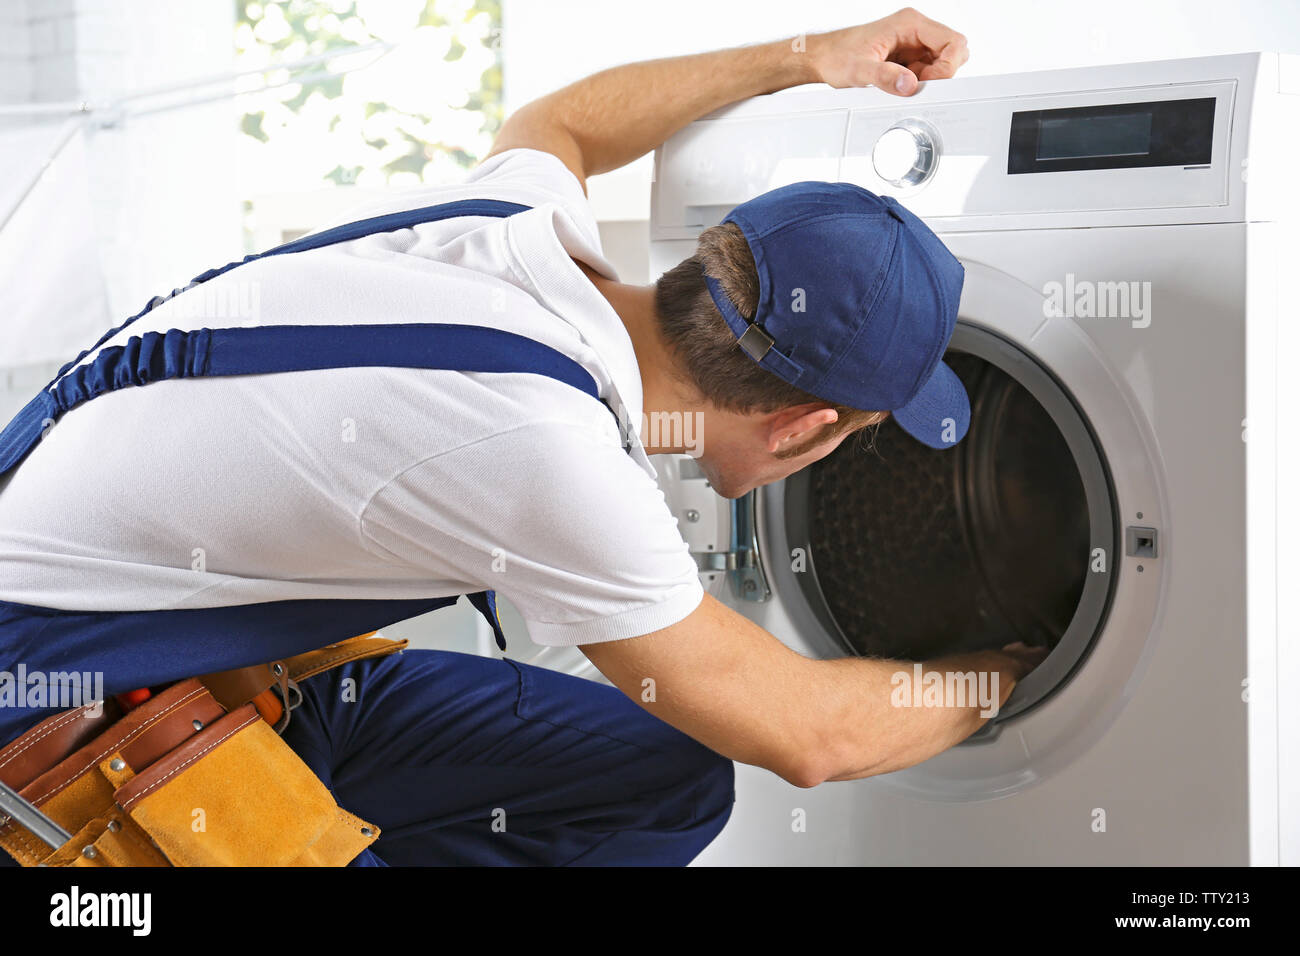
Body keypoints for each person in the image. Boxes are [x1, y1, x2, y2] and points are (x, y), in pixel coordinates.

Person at [0, 7, 1044, 866]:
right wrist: (1010, 665)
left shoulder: (509, 226)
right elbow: (815, 735)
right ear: (802, 426)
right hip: (54, 735)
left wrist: (807, 57)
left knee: (662, 776)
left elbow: (565, 123)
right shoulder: (548, 449)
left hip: (202, 669)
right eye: (855, 437)